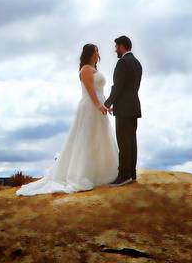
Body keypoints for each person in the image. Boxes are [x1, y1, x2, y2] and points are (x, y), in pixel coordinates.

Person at [16, 43, 118, 195]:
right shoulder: (85, 69)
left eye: (98, 50)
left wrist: (105, 105)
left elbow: (99, 91)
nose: (98, 52)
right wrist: (99, 106)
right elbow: (90, 91)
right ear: (90, 53)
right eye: (95, 50)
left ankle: (102, 173)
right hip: (90, 107)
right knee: (87, 139)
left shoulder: (94, 69)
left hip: (99, 107)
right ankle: (83, 174)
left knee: (100, 139)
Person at [104, 35, 142, 186]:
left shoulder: (122, 63)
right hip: (133, 106)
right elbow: (129, 88)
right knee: (131, 141)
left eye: (116, 47)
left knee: (123, 142)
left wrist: (107, 104)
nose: (115, 50)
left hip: (124, 109)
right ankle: (132, 174)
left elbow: (118, 87)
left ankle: (123, 175)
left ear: (122, 46)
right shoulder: (137, 63)